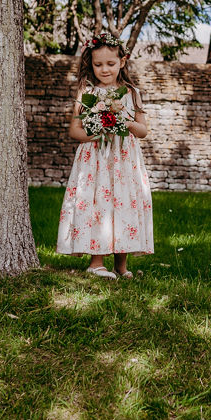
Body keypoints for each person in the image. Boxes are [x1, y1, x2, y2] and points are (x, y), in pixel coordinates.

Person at [57, 32, 153, 279]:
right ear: (91, 64)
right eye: (98, 64)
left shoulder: (131, 93)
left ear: (122, 61)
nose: (104, 69)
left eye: (110, 64)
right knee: (98, 203)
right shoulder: (86, 93)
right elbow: (74, 130)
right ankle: (95, 262)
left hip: (124, 160)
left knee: (124, 203)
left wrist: (125, 122)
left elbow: (143, 131)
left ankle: (121, 266)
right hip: (95, 159)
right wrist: (96, 132)